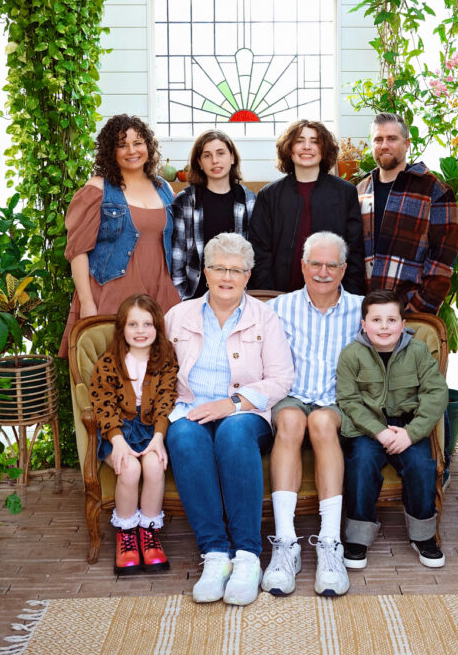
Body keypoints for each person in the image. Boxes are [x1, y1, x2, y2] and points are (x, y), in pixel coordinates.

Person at [163, 233, 295, 606]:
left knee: (234, 435)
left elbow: (281, 378)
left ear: (248, 276)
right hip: (189, 407)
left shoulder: (265, 318)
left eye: (235, 270)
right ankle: (216, 555)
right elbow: (159, 372)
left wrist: (232, 402)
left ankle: (248, 557)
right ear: (205, 272)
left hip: (246, 412)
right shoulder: (178, 315)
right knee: (185, 437)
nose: (227, 276)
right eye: (219, 267)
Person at [262, 232, 362, 598]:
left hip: (337, 402)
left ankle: (330, 544)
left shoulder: (361, 309)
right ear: (303, 266)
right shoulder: (278, 308)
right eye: (315, 264)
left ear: (343, 269)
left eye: (331, 265)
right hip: (291, 395)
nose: (323, 272)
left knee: (320, 422)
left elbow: (396, 338)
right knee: (289, 420)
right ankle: (286, 544)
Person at [336, 289, 448, 570]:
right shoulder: (352, 354)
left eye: (391, 320)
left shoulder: (418, 351)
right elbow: (348, 400)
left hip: (408, 427)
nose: (384, 327)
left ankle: (423, 536)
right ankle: (358, 537)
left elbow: (436, 394)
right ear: (364, 324)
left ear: (402, 324)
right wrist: (379, 431)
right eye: (376, 320)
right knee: (360, 464)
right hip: (368, 429)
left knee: (422, 466)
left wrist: (411, 433)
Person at [60, 115, 180, 358]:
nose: (131, 151)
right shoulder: (98, 188)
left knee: (160, 373)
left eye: (138, 143)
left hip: (160, 293)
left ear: (148, 146)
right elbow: (77, 251)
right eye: (122, 145)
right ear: (110, 152)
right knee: (112, 372)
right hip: (112, 295)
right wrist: (87, 303)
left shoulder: (164, 188)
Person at [89, 294, 179, 574]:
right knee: (128, 469)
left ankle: (148, 533)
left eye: (147, 324)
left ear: (157, 327)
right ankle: (126, 535)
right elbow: (102, 403)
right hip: (118, 429)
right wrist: (116, 440)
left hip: (153, 428)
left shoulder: (165, 359)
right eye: (133, 324)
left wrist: (159, 438)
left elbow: (167, 400)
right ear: (122, 329)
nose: (140, 331)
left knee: (154, 465)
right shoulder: (110, 362)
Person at [355, 112, 458, 314]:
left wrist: (417, 309)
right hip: (363, 314)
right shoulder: (359, 191)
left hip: (410, 313)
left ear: (407, 143)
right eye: (378, 139)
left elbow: (443, 260)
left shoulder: (434, 191)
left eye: (392, 138)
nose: (384, 145)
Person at [249, 120, 364, 295]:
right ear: (289, 148)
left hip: (332, 297)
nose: (307, 147)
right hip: (279, 295)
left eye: (315, 141)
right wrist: (267, 294)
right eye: (299, 141)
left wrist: (351, 295)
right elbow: (259, 252)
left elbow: (354, 251)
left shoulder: (345, 193)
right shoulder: (269, 195)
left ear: (324, 148)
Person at [170, 130, 256, 300]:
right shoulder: (186, 201)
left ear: (232, 157)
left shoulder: (248, 201)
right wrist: (182, 296)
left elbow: (253, 253)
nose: (215, 161)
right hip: (195, 294)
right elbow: (177, 255)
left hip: (237, 294)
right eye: (207, 155)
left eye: (220, 153)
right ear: (199, 163)